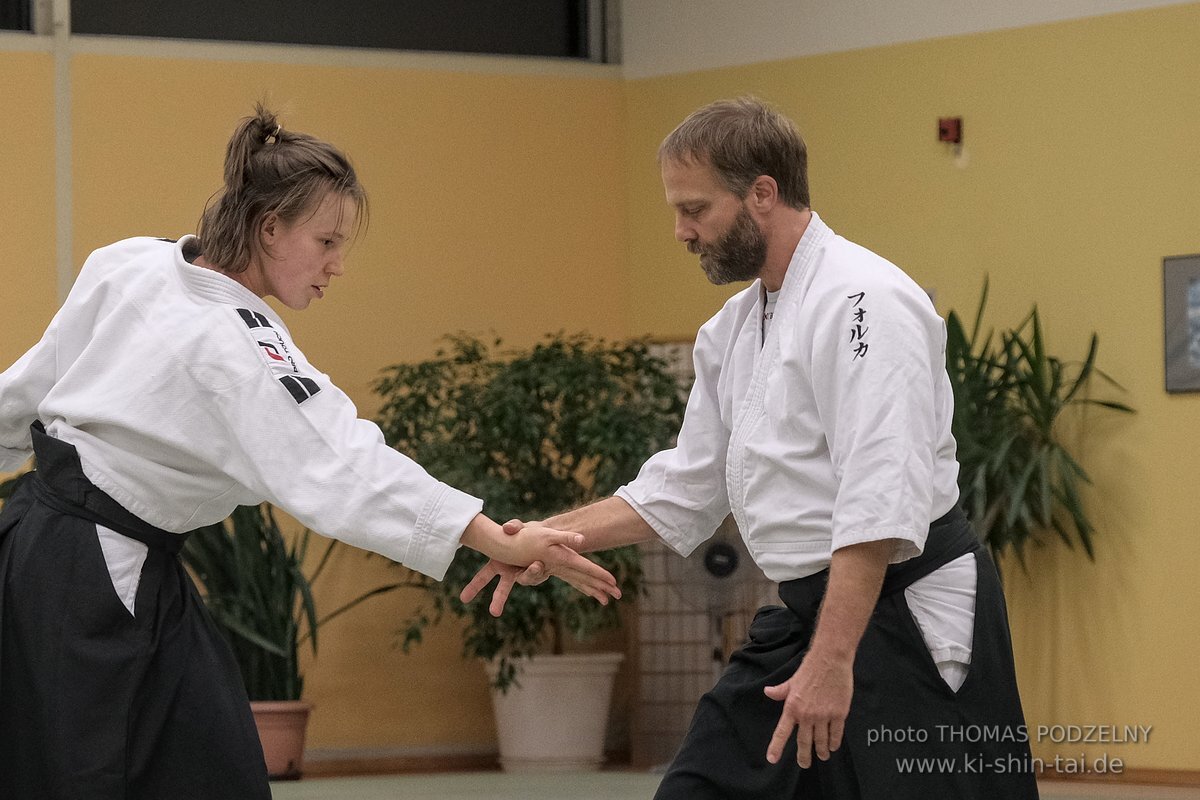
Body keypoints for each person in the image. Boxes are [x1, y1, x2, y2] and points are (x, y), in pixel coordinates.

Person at [0, 104, 619, 800]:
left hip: (47, 547)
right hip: (95, 577)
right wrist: (487, 537)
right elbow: (344, 463)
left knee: (196, 762)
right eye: (326, 242)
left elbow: (24, 390)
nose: (338, 266)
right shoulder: (242, 344)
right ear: (270, 228)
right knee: (97, 773)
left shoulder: (130, 262)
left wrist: (475, 535)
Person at [466, 97, 1040, 799]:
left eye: (695, 209)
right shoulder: (734, 328)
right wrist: (545, 537)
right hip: (806, 611)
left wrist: (832, 662)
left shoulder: (866, 300)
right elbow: (687, 485)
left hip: (906, 608)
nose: (680, 231)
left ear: (762, 194)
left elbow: (878, 497)